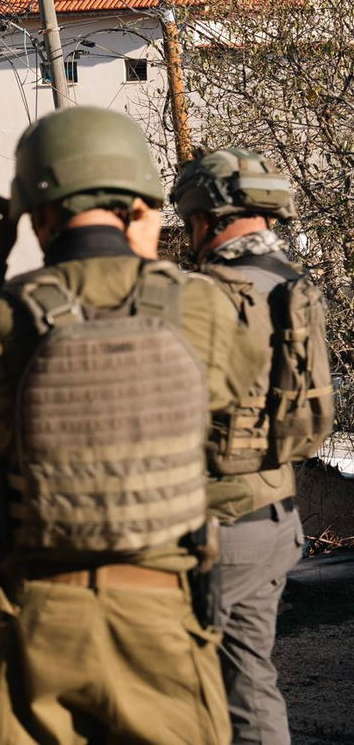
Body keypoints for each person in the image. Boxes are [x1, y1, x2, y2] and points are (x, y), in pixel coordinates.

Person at [0, 107, 259, 744]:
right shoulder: (200, 305)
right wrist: (149, 264)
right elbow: (233, 388)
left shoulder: (4, 315)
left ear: (35, 216)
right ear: (139, 205)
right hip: (166, 612)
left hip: (37, 616)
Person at [171, 148, 333, 745]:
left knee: (175, 695)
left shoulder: (209, 295)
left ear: (208, 216)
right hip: (274, 518)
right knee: (248, 683)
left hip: (216, 526)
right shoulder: (293, 286)